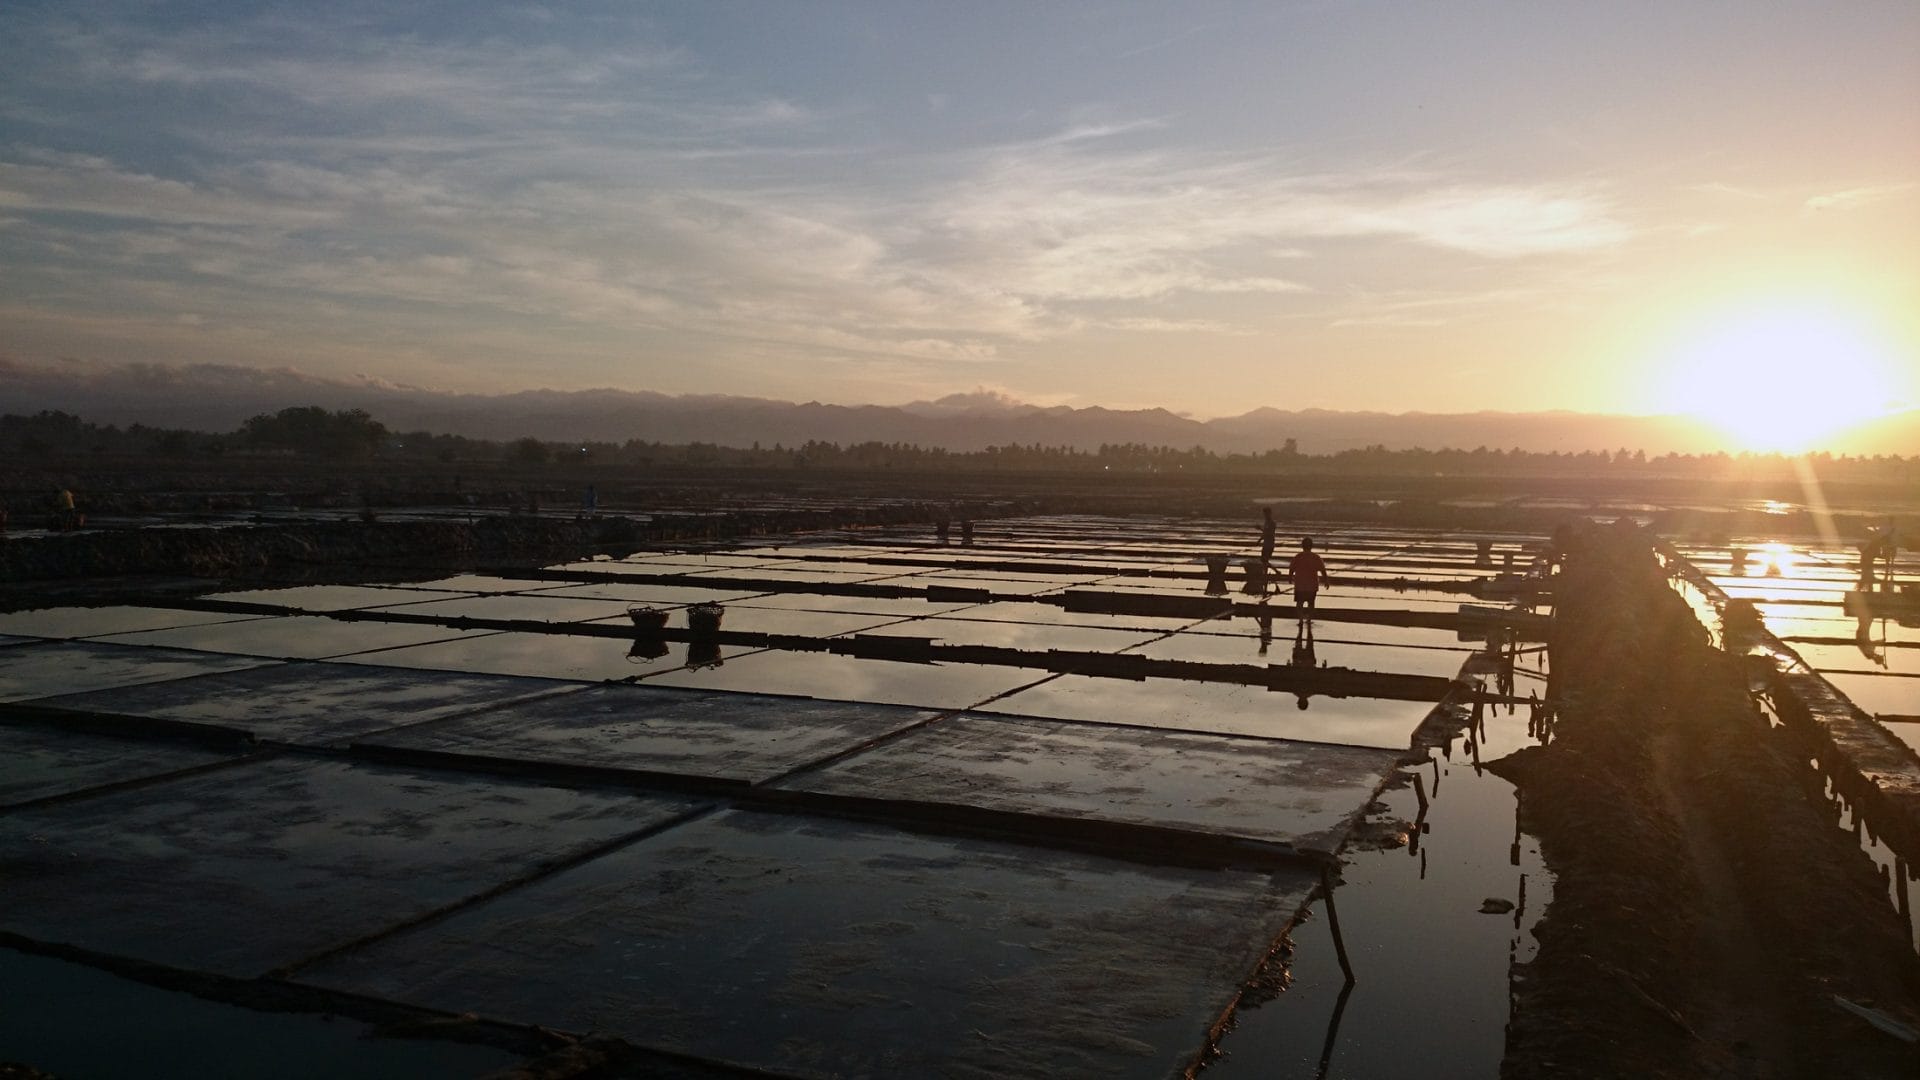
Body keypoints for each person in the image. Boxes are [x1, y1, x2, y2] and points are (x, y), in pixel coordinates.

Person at [1289, 536, 1331, 612]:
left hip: (1300, 584)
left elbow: (1291, 569)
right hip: (1312, 585)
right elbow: (1322, 570)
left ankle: (1301, 620)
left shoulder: (1298, 557)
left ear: (1302, 546)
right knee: (1311, 603)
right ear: (1311, 546)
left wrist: (1290, 578)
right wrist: (1326, 581)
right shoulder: (1316, 557)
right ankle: (1309, 619)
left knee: (1299, 603)